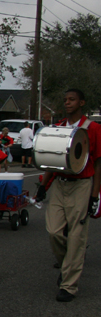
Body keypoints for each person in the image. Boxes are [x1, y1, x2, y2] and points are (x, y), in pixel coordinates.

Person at [35, 88, 101, 302]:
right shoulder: (59, 127)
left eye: (72, 99)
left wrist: (94, 195)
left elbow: (98, 164)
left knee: (76, 235)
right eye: (65, 100)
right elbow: (52, 161)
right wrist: (43, 186)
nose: (67, 103)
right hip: (60, 184)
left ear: (81, 103)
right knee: (54, 231)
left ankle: (69, 285)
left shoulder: (93, 129)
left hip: (82, 185)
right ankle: (68, 264)